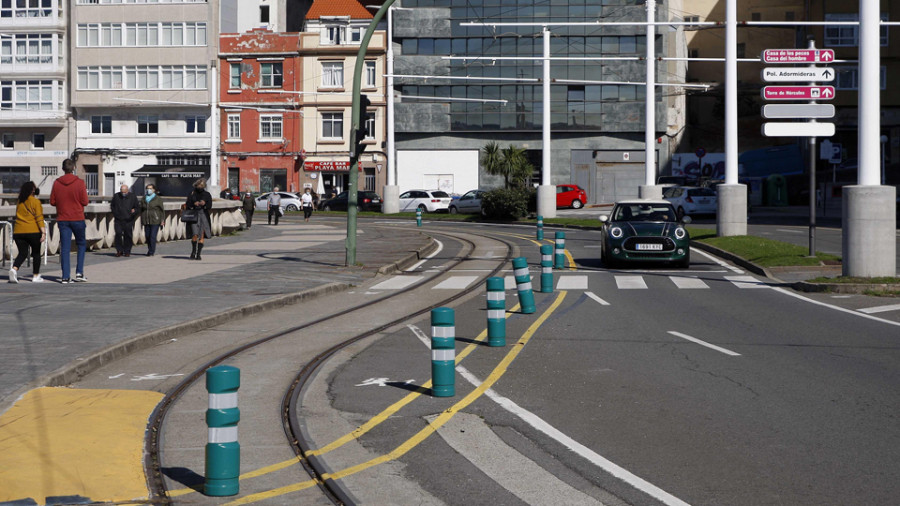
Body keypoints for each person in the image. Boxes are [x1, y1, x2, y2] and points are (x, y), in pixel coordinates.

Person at [50, 158, 89, 284]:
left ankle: (65, 276)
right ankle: (79, 272)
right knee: (81, 244)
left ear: (62, 169)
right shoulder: (80, 183)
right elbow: (85, 201)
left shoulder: (57, 183)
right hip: (77, 217)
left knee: (65, 248)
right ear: (73, 168)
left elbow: (52, 201)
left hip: (63, 218)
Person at [8, 181, 46, 283]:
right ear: (33, 190)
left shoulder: (19, 202)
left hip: (18, 231)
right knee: (36, 254)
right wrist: (43, 232)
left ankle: (14, 269)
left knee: (23, 253)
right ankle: (36, 275)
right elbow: (39, 218)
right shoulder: (36, 202)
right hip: (33, 231)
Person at [185, 178, 212, 260]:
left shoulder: (207, 194)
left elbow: (210, 206)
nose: (200, 187)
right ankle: (193, 251)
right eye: (199, 185)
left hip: (203, 215)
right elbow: (187, 204)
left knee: (202, 234)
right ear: (196, 185)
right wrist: (194, 203)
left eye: (202, 186)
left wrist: (204, 204)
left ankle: (198, 254)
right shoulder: (192, 193)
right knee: (195, 234)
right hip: (194, 215)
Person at [110, 183, 138, 257]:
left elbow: (137, 207)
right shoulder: (116, 196)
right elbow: (112, 206)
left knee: (128, 235)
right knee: (118, 234)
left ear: (127, 191)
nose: (123, 193)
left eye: (124, 192)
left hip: (129, 219)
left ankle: (127, 251)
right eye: (122, 192)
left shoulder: (132, 197)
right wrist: (115, 213)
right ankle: (119, 250)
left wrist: (134, 211)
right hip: (118, 219)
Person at [141, 184, 164, 256]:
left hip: (155, 219)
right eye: (147, 188)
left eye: (150, 188)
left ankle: (151, 251)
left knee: (152, 236)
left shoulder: (158, 199)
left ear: (154, 190)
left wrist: (162, 220)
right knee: (147, 236)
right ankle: (149, 249)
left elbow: (162, 210)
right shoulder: (144, 198)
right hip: (146, 220)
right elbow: (141, 209)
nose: (149, 190)